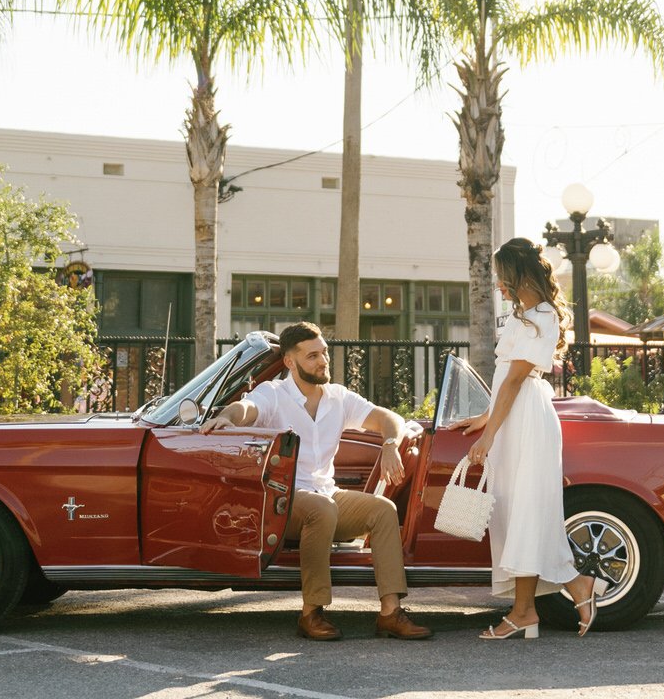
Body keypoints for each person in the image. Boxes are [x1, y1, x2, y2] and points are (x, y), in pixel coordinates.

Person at [202, 321, 434, 642]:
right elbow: (247, 408)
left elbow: (387, 418)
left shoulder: (337, 397)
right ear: (290, 362)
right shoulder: (274, 394)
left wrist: (391, 443)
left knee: (383, 510)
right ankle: (311, 613)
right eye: (312, 356)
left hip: (327, 494)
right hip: (285, 503)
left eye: (324, 352)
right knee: (322, 509)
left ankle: (389, 613)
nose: (323, 361)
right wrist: (226, 418)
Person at [454, 237, 598, 641]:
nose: (498, 286)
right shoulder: (522, 316)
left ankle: (525, 611)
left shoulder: (543, 315)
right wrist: (484, 419)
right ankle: (566, 589)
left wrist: (489, 435)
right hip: (513, 419)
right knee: (515, 511)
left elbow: (517, 379)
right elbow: (506, 380)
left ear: (519, 275)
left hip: (528, 422)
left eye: (502, 278)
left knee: (527, 513)